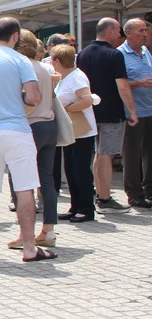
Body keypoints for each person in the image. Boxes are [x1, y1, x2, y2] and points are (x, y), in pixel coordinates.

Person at [0, 17, 54, 262]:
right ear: (16, 35)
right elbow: (34, 97)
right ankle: (29, 248)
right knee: (25, 189)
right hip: (16, 130)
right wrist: (19, 100)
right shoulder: (20, 60)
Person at [77, 18, 138, 213]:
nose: (120, 35)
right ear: (110, 31)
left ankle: (101, 195)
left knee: (99, 154)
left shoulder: (83, 54)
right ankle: (104, 199)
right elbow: (123, 86)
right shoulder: (114, 54)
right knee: (106, 154)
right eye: (119, 30)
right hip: (111, 112)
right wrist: (132, 111)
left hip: (90, 111)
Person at [8, 30, 59, 249]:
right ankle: (48, 230)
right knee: (46, 179)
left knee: (20, 179)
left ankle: (24, 233)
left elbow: (26, 101)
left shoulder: (22, 67)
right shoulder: (44, 68)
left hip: (30, 126)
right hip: (49, 124)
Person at [52, 44, 98, 223]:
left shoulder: (77, 77)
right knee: (70, 170)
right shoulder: (65, 77)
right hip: (71, 131)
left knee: (80, 170)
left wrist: (68, 108)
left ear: (58, 61)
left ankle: (86, 209)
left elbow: (87, 99)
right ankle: (75, 206)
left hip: (83, 132)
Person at [119, 18, 152, 208]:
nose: (145, 34)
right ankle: (134, 194)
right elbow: (119, 84)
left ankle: (150, 190)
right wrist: (140, 83)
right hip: (132, 113)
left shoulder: (146, 52)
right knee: (132, 154)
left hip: (150, 109)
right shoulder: (120, 54)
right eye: (141, 30)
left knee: (150, 153)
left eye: (146, 30)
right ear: (129, 33)